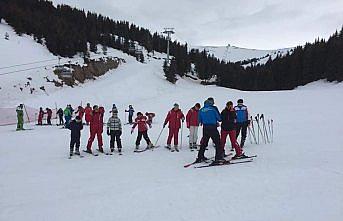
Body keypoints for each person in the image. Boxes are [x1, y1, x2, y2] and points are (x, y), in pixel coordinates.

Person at [195, 99, 224, 163]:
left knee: (204, 143)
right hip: (212, 127)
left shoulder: (201, 110)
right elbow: (219, 118)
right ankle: (218, 157)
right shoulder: (213, 109)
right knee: (217, 143)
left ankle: (200, 156)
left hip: (205, 128)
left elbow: (199, 121)